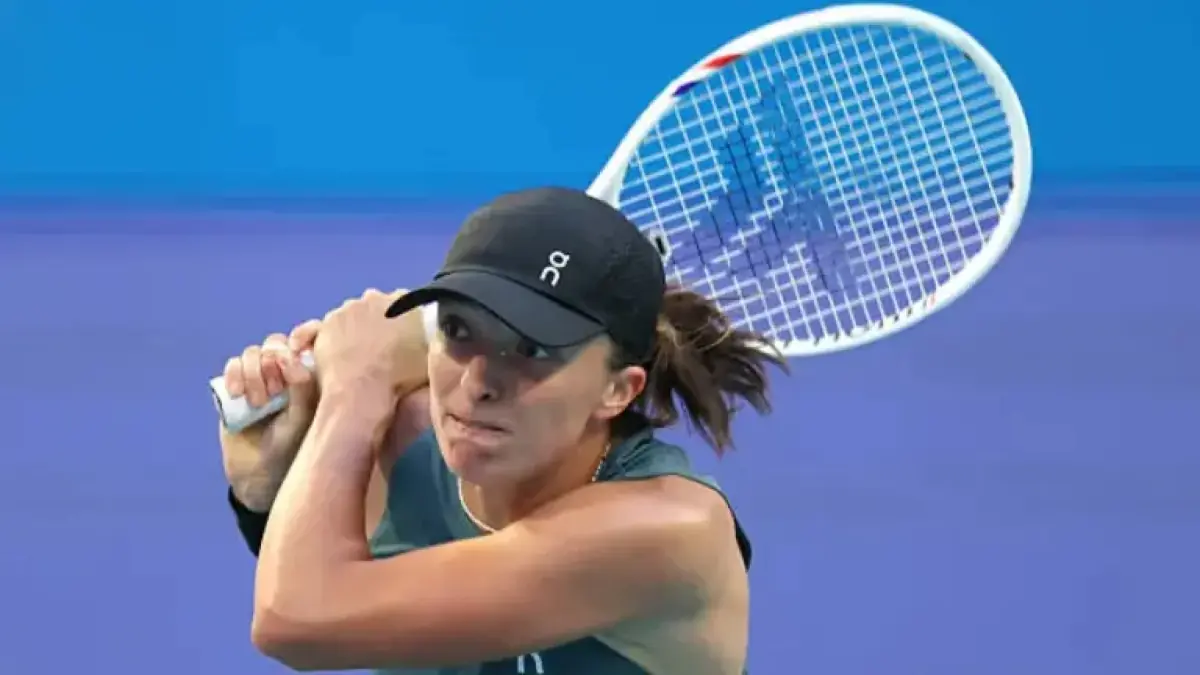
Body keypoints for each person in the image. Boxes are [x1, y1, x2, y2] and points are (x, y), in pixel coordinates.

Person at [219, 186, 787, 675]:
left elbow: (298, 616)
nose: (477, 383)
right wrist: (265, 494)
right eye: (458, 329)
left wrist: (353, 390)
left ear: (618, 389)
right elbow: (342, 603)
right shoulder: (404, 439)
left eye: (532, 350)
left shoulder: (665, 530)